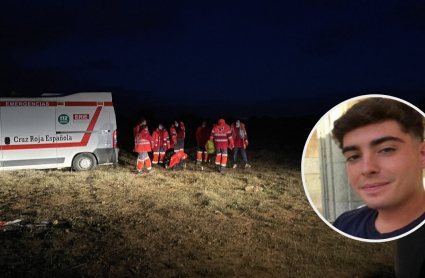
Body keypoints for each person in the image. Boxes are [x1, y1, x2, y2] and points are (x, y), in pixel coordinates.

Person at [331, 97, 425, 239]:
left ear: (422, 155)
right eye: (354, 157)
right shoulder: (344, 224)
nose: (367, 169)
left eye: (386, 150)